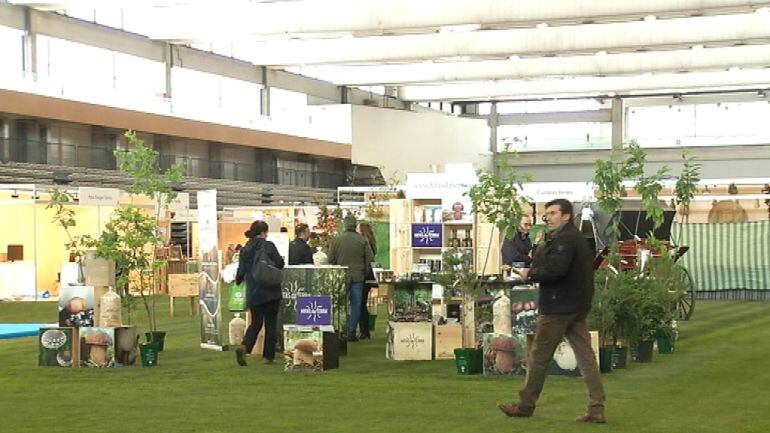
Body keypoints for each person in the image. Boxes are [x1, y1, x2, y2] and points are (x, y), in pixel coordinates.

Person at [498, 199, 606, 424]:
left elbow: (555, 270)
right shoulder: (571, 238)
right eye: (546, 213)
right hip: (576, 305)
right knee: (586, 357)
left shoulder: (565, 239)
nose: (548, 217)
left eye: (553, 213)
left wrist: (531, 273)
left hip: (559, 306)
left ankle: (525, 405)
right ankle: (596, 407)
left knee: (539, 356)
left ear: (566, 216)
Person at [234, 220, 285, 366]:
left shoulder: (245, 249)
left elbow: (240, 273)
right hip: (270, 291)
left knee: (255, 323)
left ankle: (244, 346)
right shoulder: (268, 246)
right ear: (263, 232)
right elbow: (280, 264)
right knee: (270, 324)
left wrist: (239, 281)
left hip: (254, 292)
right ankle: (268, 357)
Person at [329, 214, 374, 342]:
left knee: (340, 305)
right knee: (356, 305)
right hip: (358, 277)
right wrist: (364, 272)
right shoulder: (362, 241)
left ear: (344, 225)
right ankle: (351, 332)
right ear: (355, 225)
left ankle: (340, 331)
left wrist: (336, 269)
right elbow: (370, 259)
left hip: (341, 277)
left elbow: (330, 259)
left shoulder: (336, 240)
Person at [357, 222, 378, 340]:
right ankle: (364, 330)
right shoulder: (371, 243)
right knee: (362, 303)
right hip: (368, 276)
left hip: (364, 276)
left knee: (360, 304)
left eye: (358, 229)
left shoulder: (364, 243)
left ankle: (364, 330)